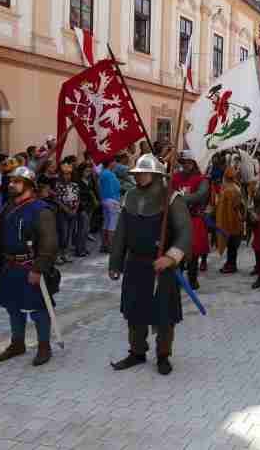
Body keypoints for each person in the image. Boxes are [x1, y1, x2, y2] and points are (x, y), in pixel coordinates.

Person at [108, 154, 192, 375]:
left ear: (156, 175)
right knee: (134, 311)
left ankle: (163, 356)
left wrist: (171, 257)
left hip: (161, 266)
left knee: (164, 314)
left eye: (144, 173)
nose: (139, 177)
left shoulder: (171, 198)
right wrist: (115, 262)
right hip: (135, 264)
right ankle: (137, 352)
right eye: (137, 174)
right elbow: (121, 233)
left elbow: (185, 233)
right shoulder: (130, 197)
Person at [0, 166, 58, 366]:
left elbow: (49, 243)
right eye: (11, 181)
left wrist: (39, 268)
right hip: (9, 265)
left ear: (29, 185)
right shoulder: (9, 207)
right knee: (13, 307)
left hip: (30, 266)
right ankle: (17, 343)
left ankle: (44, 346)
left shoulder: (41, 210)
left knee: (37, 309)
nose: (11, 184)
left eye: (16, 181)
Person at [171, 150, 210, 290]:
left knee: (193, 252)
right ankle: (179, 276)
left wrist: (179, 199)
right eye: (184, 162)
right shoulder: (175, 177)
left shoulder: (202, 179)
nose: (186, 165)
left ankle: (192, 278)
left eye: (189, 162)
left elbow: (200, 195)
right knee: (177, 249)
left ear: (194, 163)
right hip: (178, 218)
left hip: (193, 219)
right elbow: (168, 191)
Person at [215, 167, 244, 274]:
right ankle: (231, 263)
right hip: (236, 220)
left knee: (231, 245)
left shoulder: (228, 190)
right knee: (233, 246)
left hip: (229, 221)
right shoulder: (236, 187)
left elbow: (226, 208)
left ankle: (231, 265)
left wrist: (225, 224)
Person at [54, 163, 80, 264]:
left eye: (69, 174)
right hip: (62, 212)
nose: (67, 176)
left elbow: (78, 198)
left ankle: (66, 254)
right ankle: (58, 254)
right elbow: (57, 199)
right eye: (65, 174)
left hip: (73, 212)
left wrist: (74, 210)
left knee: (69, 233)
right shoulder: (58, 185)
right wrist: (66, 210)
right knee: (62, 234)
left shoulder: (75, 185)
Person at [99, 158, 121, 253]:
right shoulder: (110, 174)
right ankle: (110, 246)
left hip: (104, 199)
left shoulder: (103, 173)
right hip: (112, 200)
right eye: (114, 161)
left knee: (106, 223)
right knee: (112, 225)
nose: (116, 163)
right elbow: (117, 187)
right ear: (110, 163)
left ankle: (103, 245)